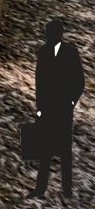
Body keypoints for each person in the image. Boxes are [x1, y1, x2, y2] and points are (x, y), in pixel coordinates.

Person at [33, 17, 85, 200]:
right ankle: (40, 187)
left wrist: (71, 102)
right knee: (44, 148)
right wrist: (39, 106)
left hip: (63, 107)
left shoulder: (71, 52)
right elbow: (39, 81)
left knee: (64, 148)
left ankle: (67, 189)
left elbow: (80, 81)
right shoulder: (43, 52)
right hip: (47, 107)